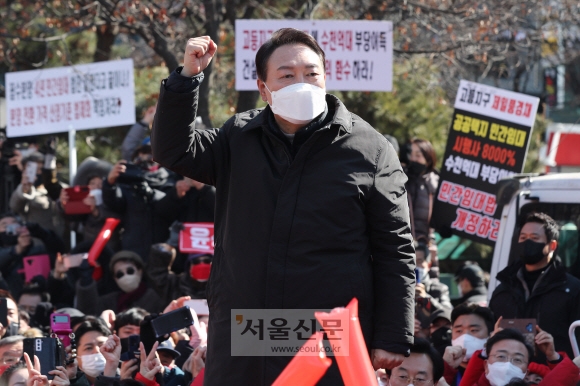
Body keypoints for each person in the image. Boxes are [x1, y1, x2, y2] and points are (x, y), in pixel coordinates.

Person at [151, 29, 416, 385]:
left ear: (325, 78)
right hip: (246, 329)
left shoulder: (369, 149)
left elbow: (395, 247)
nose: (302, 83)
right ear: (264, 88)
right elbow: (174, 150)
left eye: (311, 73)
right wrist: (187, 79)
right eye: (287, 75)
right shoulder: (239, 137)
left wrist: (393, 334)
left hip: (330, 332)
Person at [489, 212, 580, 358]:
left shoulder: (572, 290)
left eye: (534, 238)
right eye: (523, 238)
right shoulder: (503, 290)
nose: (527, 243)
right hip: (511, 375)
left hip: (556, 376)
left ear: (552, 245)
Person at [103, 145, 174, 260]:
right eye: (139, 155)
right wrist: (109, 183)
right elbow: (114, 204)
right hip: (134, 252)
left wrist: (151, 194)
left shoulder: (171, 179)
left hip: (164, 251)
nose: (144, 157)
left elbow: (172, 206)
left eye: (149, 152)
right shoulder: (127, 182)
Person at [75, 251, 165, 316]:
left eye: (130, 271)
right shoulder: (108, 302)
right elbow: (88, 313)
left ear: (140, 271)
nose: (125, 276)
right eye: (119, 274)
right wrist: (86, 282)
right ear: (115, 279)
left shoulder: (156, 297)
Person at [443, 303, 494, 385]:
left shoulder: (495, 375)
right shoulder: (439, 370)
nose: (465, 337)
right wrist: (446, 369)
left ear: (490, 335)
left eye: (474, 330)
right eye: (459, 331)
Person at [146, 244, 211, 302]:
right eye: (197, 261)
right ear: (189, 266)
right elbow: (156, 273)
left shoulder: (220, 288)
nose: (202, 264)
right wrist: (169, 245)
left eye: (207, 261)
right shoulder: (174, 284)